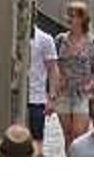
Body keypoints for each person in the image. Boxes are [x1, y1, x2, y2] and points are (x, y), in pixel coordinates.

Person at [54, 0, 94, 154]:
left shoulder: (93, 42)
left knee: (79, 135)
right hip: (63, 93)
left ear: (82, 18)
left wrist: (92, 83)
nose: (69, 19)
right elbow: (53, 65)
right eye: (68, 15)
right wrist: (55, 84)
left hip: (83, 94)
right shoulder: (60, 40)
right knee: (68, 136)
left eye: (73, 15)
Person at [28, 20, 60, 156]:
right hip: (12, 94)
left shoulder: (45, 39)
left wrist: (52, 98)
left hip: (36, 98)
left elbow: (53, 69)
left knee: (37, 141)